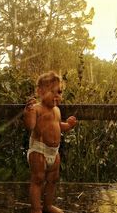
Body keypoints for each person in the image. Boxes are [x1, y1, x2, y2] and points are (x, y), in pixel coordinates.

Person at [24, 71, 77, 213]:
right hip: (39, 149)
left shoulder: (57, 110)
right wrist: (28, 113)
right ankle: (36, 209)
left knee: (53, 179)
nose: (56, 96)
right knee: (38, 179)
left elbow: (59, 126)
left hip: (54, 152)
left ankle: (47, 205)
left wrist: (69, 125)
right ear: (40, 92)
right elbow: (30, 126)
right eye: (52, 92)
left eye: (59, 92)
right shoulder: (37, 109)